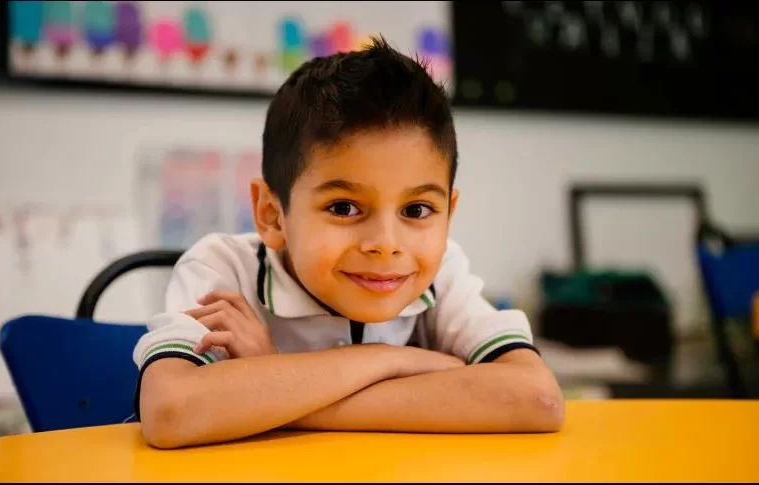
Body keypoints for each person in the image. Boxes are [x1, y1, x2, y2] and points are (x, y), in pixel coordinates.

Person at [133, 37, 564, 449]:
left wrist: (273, 382)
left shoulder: (441, 272)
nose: (385, 245)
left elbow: (536, 398)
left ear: (448, 212)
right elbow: (171, 411)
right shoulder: (222, 270)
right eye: (343, 208)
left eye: (416, 211)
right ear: (271, 214)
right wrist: (394, 361)